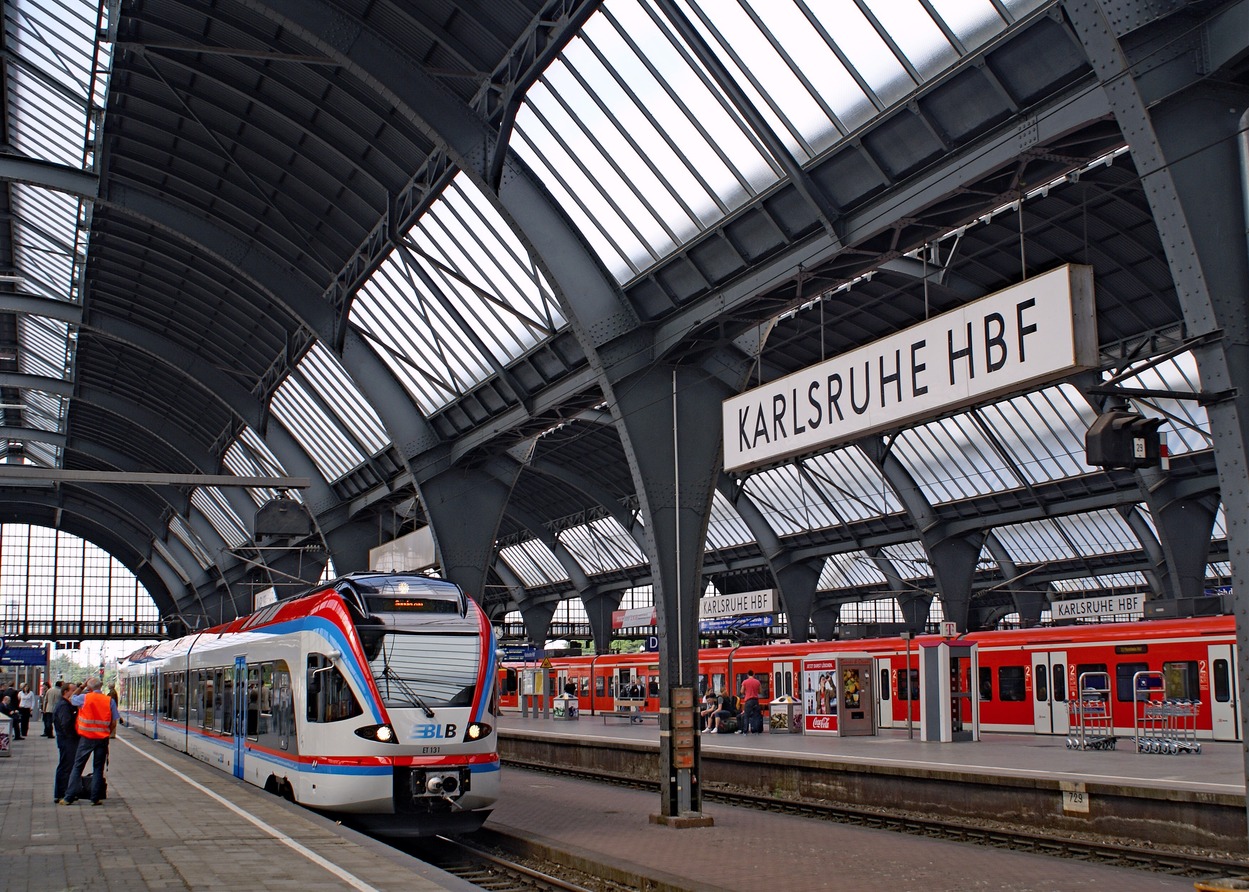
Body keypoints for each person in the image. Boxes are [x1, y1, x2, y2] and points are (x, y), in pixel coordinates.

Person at [61, 677, 117, 806]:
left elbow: (71, 699)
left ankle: (69, 797)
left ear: (89, 688)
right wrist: (106, 732)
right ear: (100, 687)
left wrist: (82, 686)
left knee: (78, 766)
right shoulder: (109, 701)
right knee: (98, 768)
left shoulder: (84, 698)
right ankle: (95, 798)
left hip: (86, 738)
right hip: (102, 739)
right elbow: (113, 722)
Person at [52, 683, 80, 804]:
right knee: (66, 766)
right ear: (65, 692)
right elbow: (66, 724)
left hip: (66, 739)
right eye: (73, 690)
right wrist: (73, 735)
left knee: (67, 765)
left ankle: (66, 791)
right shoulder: (64, 706)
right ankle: (62, 793)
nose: (75, 693)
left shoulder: (65, 704)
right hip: (67, 740)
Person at [740, 670, 763, 734]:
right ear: (754, 674)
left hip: (748, 700)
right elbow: (760, 691)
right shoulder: (757, 682)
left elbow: (741, 691)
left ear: (747, 675)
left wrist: (746, 693)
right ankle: (756, 730)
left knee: (746, 716)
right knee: (756, 716)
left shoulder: (745, 682)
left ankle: (745, 730)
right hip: (755, 700)